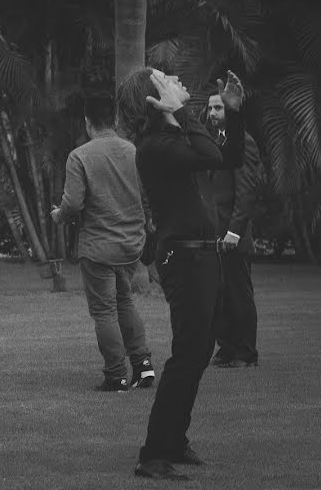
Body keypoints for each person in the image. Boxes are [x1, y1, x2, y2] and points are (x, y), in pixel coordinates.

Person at [116, 68, 245, 481]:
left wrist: (234, 115)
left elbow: (228, 156)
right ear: (155, 99)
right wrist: (184, 112)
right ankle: (152, 454)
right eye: (165, 78)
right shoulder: (154, 145)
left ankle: (174, 441)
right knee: (188, 354)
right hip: (185, 259)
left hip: (203, 258)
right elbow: (210, 155)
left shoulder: (172, 137)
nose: (175, 77)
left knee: (200, 351)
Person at [50, 92, 155, 392]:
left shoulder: (80, 156)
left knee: (105, 311)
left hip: (99, 245)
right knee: (124, 301)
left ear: (87, 122)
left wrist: (58, 215)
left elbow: (73, 204)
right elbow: (144, 196)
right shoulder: (133, 150)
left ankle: (116, 375)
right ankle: (143, 365)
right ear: (116, 120)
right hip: (131, 243)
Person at [205, 89, 261, 368]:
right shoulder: (215, 142)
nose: (213, 113)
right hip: (215, 233)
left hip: (233, 232)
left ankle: (246, 351)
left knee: (239, 292)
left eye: (219, 108)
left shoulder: (244, 143)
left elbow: (247, 190)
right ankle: (226, 347)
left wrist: (235, 232)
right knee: (220, 293)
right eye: (211, 108)